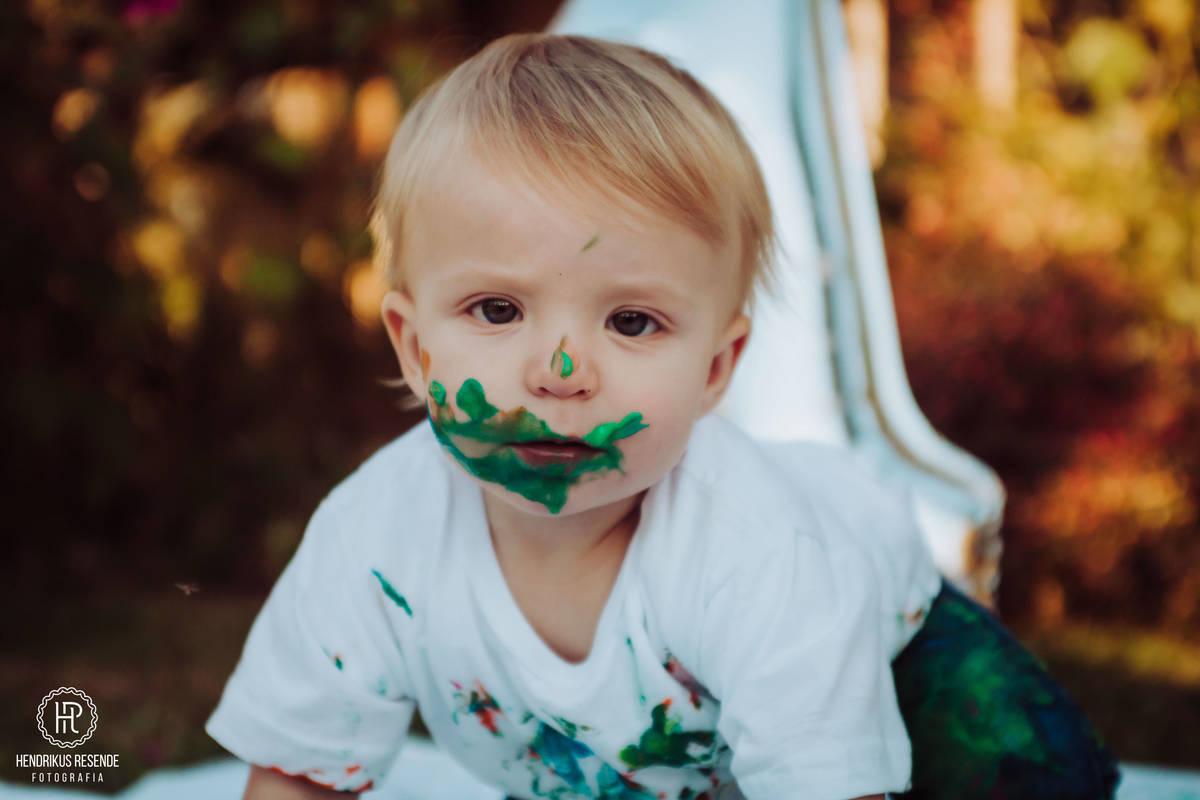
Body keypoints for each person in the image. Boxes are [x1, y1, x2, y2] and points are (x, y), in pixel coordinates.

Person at [205, 33, 1115, 800]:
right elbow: (299, 772)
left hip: (909, 664)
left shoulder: (758, 553)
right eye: (496, 310)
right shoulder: (374, 540)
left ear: (717, 368)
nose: (559, 374)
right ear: (413, 346)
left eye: (631, 321)